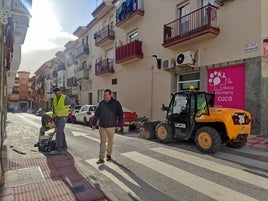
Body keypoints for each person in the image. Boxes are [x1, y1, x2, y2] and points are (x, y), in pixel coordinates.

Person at [92, 89, 123, 164]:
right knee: (102, 142)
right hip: (102, 126)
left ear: (110, 95)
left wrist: (119, 125)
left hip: (111, 127)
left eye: (106, 95)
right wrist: (93, 124)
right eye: (104, 95)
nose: (105, 96)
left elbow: (120, 114)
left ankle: (109, 155)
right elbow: (96, 114)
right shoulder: (101, 103)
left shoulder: (116, 103)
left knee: (110, 142)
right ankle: (101, 158)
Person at [50, 87, 75, 155]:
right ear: (54, 93)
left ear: (60, 92)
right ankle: (64, 145)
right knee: (60, 131)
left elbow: (73, 104)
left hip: (63, 117)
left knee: (58, 131)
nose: (57, 94)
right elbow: (54, 108)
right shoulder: (54, 98)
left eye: (58, 93)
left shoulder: (65, 98)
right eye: (56, 93)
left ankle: (58, 149)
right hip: (57, 117)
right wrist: (52, 116)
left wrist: (71, 112)